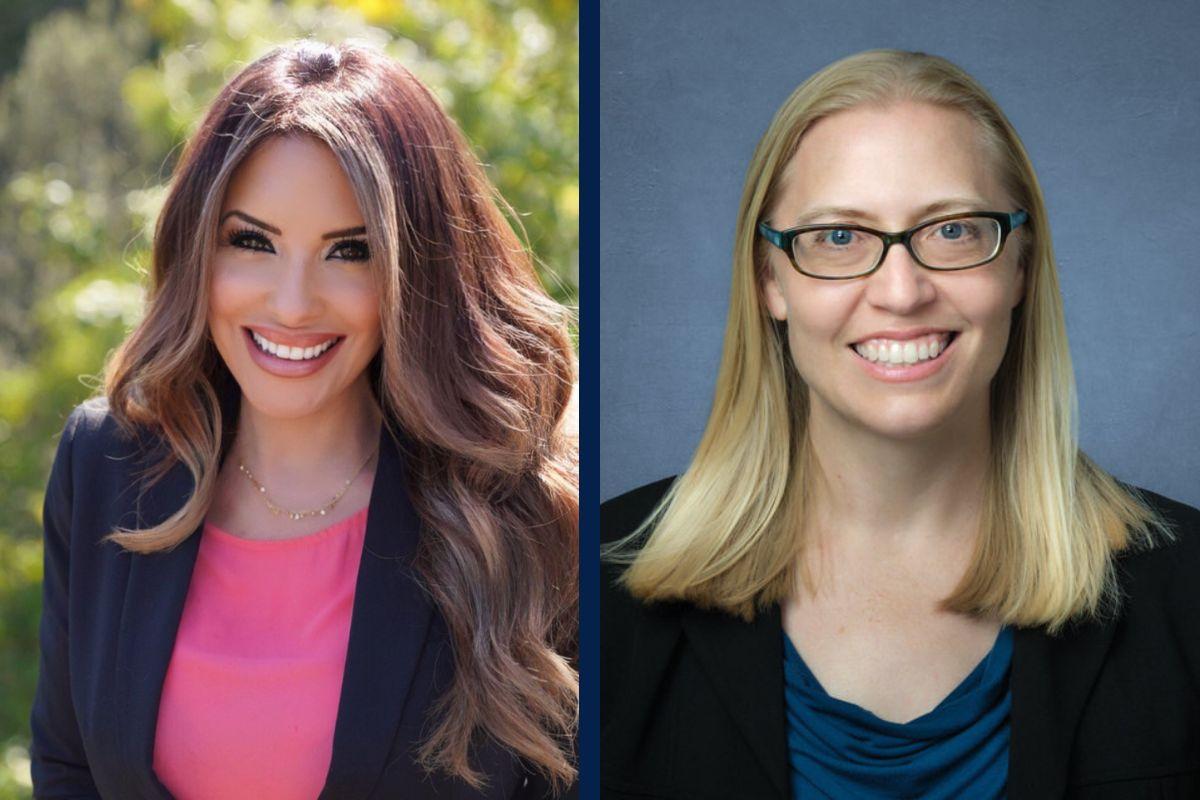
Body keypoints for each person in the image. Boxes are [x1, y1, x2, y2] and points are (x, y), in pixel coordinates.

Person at [601, 50, 1200, 800]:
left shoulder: (1187, 593)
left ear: (1019, 265)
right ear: (768, 279)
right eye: (840, 238)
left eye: (952, 230)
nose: (901, 290)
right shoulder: (596, 587)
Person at [30, 41, 578, 799]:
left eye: (348, 252)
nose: (291, 304)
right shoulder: (105, 465)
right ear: (199, 246)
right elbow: (68, 770)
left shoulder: (520, 511)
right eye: (251, 241)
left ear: (413, 272)